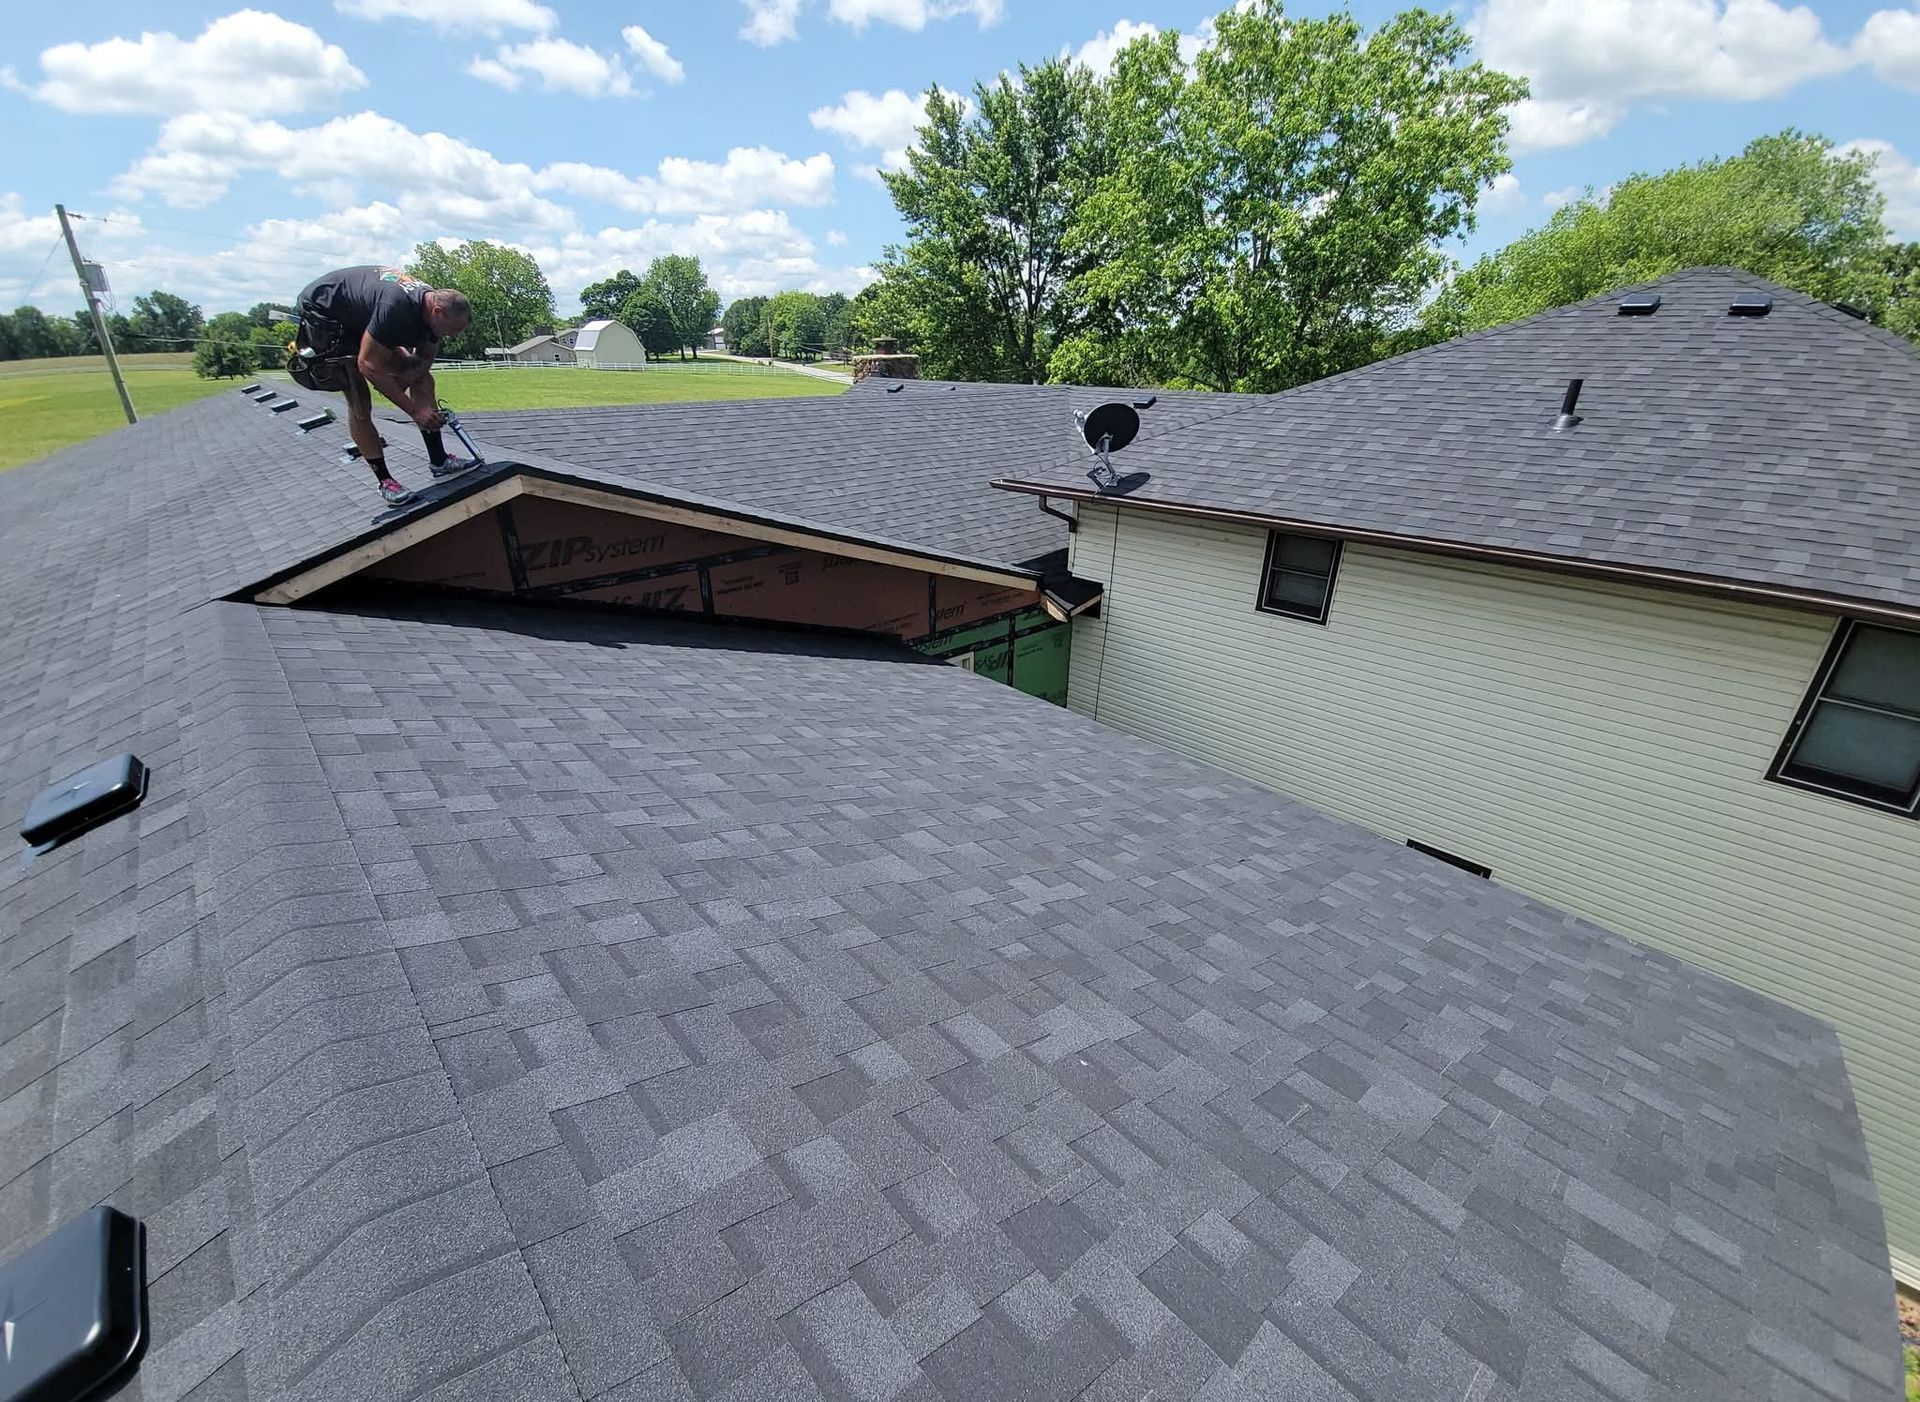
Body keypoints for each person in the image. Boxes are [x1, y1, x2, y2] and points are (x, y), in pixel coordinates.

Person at [293, 266, 480, 505]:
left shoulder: (431, 313)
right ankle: (385, 481)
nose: (452, 336)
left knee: (422, 376)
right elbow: (368, 365)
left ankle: (439, 461)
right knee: (359, 396)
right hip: (327, 314)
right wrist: (415, 411)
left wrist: (403, 383)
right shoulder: (395, 307)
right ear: (437, 312)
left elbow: (424, 359)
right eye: (452, 330)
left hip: (364, 312)